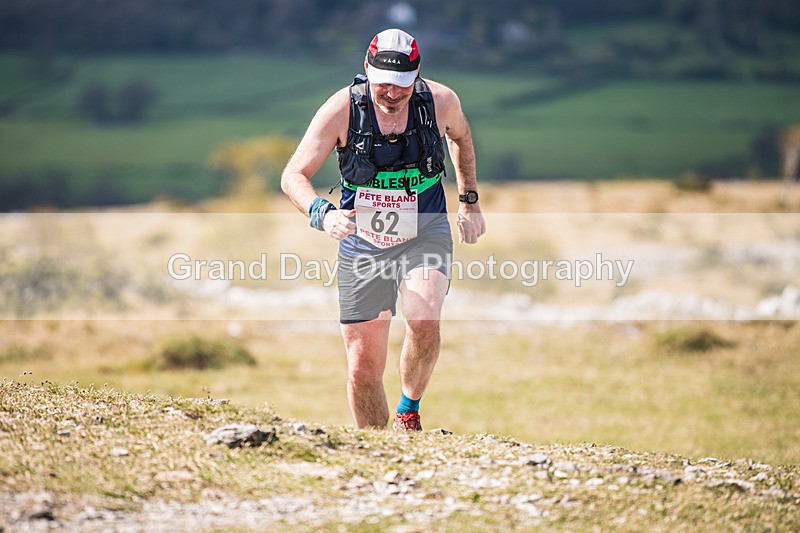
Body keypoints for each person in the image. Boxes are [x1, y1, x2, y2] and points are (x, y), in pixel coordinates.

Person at [281, 28, 485, 431]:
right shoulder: (341, 110)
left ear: (417, 75)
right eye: (383, 85)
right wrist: (322, 212)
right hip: (363, 242)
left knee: (425, 318)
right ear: (366, 71)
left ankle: (408, 413)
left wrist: (469, 200)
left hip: (425, 228)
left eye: (402, 87)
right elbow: (293, 175)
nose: (392, 94)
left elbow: (461, 136)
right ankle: (374, 449)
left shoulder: (441, 102)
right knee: (362, 366)